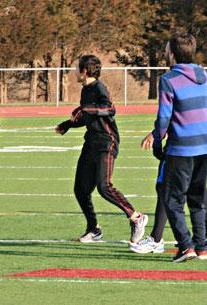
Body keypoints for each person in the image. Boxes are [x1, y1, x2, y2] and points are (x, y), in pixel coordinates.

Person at [55, 54, 148, 243]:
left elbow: (109, 108)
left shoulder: (99, 87)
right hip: (91, 142)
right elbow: (86, 116)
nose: (74, 72)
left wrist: (85, 109)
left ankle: (136, 217)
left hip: (107, 142)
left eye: (77, 68)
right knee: (80, 189)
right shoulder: (85, 90)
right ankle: (93, 229)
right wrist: (67, 124)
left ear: (85, 70)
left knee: (104, 186)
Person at [151, 32, 207, 262]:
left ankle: (185, 246)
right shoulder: (205, 76)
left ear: (172, 52)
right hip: (204, 144)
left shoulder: (169, 79)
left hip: (181, 147)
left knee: (171, 198)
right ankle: (201, 248)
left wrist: (157, 138)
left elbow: (164, 116)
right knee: (197, 197)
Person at [129, 132, 207, 254]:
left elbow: (167, 116)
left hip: (181, 143)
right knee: (195, 185)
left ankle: (156, 239)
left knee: (164, 185)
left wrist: (156, 136)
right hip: (202, 141)